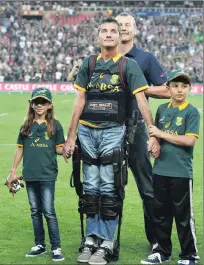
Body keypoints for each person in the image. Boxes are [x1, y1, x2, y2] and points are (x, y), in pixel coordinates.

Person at [63, 17, 160, 265]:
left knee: (109, 188)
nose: (108, 34)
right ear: (98, 36)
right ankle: (91, 240)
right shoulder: (88, 63)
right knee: (90, 189)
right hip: (86, 132)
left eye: (113, 31)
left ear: (119, 37)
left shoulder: (129, 65)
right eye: (104, 31)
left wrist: (152, 134)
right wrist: (71, 136)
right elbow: (79, 102)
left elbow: (141, 101)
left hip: (114, 131)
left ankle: (106, 242)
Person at [116, 12, 170, 247]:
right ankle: (108, 239)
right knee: (110, 188)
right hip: (108, 128)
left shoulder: (146, 58)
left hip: (136, 127)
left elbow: (167, 90)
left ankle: (157, 240)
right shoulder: (105, 58)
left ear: (135, 30)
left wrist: (142, 87)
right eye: (119, 25)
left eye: (128, 25)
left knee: (147, 187)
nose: (123, 28)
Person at [141, 70, 200, 265]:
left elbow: (189, 140)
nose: (180, 90)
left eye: (184, 86)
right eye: (175, 86)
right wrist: (154, 145)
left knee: (184, 217)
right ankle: (162, 252)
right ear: (168, 89)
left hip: (181, 172)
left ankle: (189, 255)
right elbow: (157, 138)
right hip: (160, 170)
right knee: (160, 216)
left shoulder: (191, 111)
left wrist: (161, 134)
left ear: (189, 89)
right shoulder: (162, 110)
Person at [5, 87, 65, 262]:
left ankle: (56, 247)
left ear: (49, 105)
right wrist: (13, 172)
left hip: (47, 174)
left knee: (48, 211)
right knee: (34, 211)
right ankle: (40, 245)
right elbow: (20, 149)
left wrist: (69, 149)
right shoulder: (26, 124)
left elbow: (59, 149)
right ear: (31, 104)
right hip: (29, 175)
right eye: (36, 102)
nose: (39, 105)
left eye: (43, 102)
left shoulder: (55, 124)